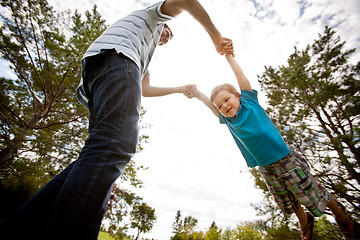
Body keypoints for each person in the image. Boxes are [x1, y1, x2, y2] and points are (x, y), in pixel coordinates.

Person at [0, 1, 233, 239]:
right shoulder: (152, 17)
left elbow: (145, 88)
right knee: (114, 145)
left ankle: (17, 229)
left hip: (102, 70)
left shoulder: (143, 52)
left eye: (169, 38)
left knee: (99, 153)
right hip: (117, 61)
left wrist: (179, 88)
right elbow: (185, 2)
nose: (166, 37)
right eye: (167, 32)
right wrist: (216, 36)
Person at [188, 54, 360, 240]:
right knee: (287, 201)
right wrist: (198, 94)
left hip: (285, 159)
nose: (224, 106)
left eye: (227, 100)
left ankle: (340, 214)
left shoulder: (249, 103)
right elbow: (210, 105)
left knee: (311, 191)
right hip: (265, 168)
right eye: (220, 106)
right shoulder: (229, 121)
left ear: (238, 95)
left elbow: (240, 75)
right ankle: (305, 221)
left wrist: (229, 55)